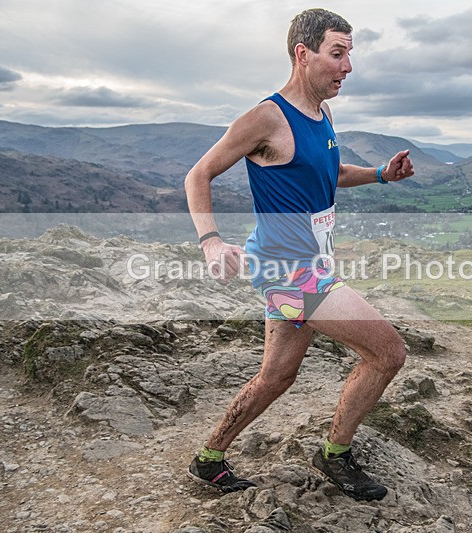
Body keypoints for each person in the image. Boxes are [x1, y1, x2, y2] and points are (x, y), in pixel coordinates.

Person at [183, 8, 415, 502]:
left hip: (310, 266)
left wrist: (379, 174)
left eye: (350, 53)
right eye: (338, 53)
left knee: (277, 376)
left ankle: (210, 457)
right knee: (387, 353)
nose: (347, 66)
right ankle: (335, 455)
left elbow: (325, 176)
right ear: (302, 54)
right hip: (290, 274)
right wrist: (211, 241)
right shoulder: (266, 117)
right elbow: (198, 175)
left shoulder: (322, 114)